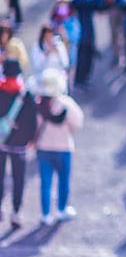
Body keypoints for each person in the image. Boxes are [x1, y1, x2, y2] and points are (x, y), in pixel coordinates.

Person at [34, 67, 84, 225]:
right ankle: (62, 209)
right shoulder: (66, 103)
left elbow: (35, 125)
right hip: (64, 148)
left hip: (43, 148)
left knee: (45, 183)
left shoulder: (40, 103)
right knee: (64, 181)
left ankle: (46, 214)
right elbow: (78, 122)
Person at [0, 59, 39, 227]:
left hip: (1, 140)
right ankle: (16, 212)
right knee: (18, 179)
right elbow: (32, 120)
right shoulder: (25, 94)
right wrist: (30, 138)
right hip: (19, 143)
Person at [71, 0, 114, 88]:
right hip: (80, 37)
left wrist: (107, 0)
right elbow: (94, 3)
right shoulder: (76, 1)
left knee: (88, 59)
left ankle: (84, 79)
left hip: (88, 36)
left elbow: (98, 5)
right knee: (82, 60)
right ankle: (79, 80)